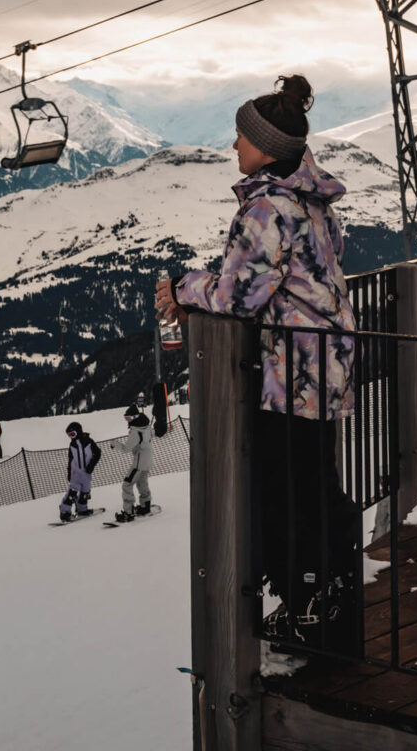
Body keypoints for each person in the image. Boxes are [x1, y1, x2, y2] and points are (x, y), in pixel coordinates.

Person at [155, 74, 359, 651]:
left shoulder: (267, 209)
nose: (234, 146)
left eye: (242, 137)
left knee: (284, 490)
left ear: (268, 147)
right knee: (314, 484)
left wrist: (180, 286)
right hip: (326, 360)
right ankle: (327, 601)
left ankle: (307, 610)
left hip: (292, 371)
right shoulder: (310, 201)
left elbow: (236, 297)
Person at [110, 404, 154, 522]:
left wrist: (115, 444)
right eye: (126, 418)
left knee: (127, 484)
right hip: (148, 460)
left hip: (139, 463)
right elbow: (152, 435)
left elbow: (126, 449)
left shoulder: (136, 431)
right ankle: (145, 505)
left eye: (128, 418)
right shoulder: (147, 426)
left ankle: (128, 512)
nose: (128, 421)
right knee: (142, 482)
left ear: (134, 417)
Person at [59, 421, 101, 522]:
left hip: (86, 473)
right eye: (69, 435)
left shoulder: (88, 441)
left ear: (78, 431)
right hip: (76, 473)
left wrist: (91, 466)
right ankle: (65, 512)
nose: (71, 437)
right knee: (72, 492)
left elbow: (98, 453)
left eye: (72, 434)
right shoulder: (72, 445)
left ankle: (82, 509)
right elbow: (70, 460)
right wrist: (69, 473)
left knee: (85, 491)